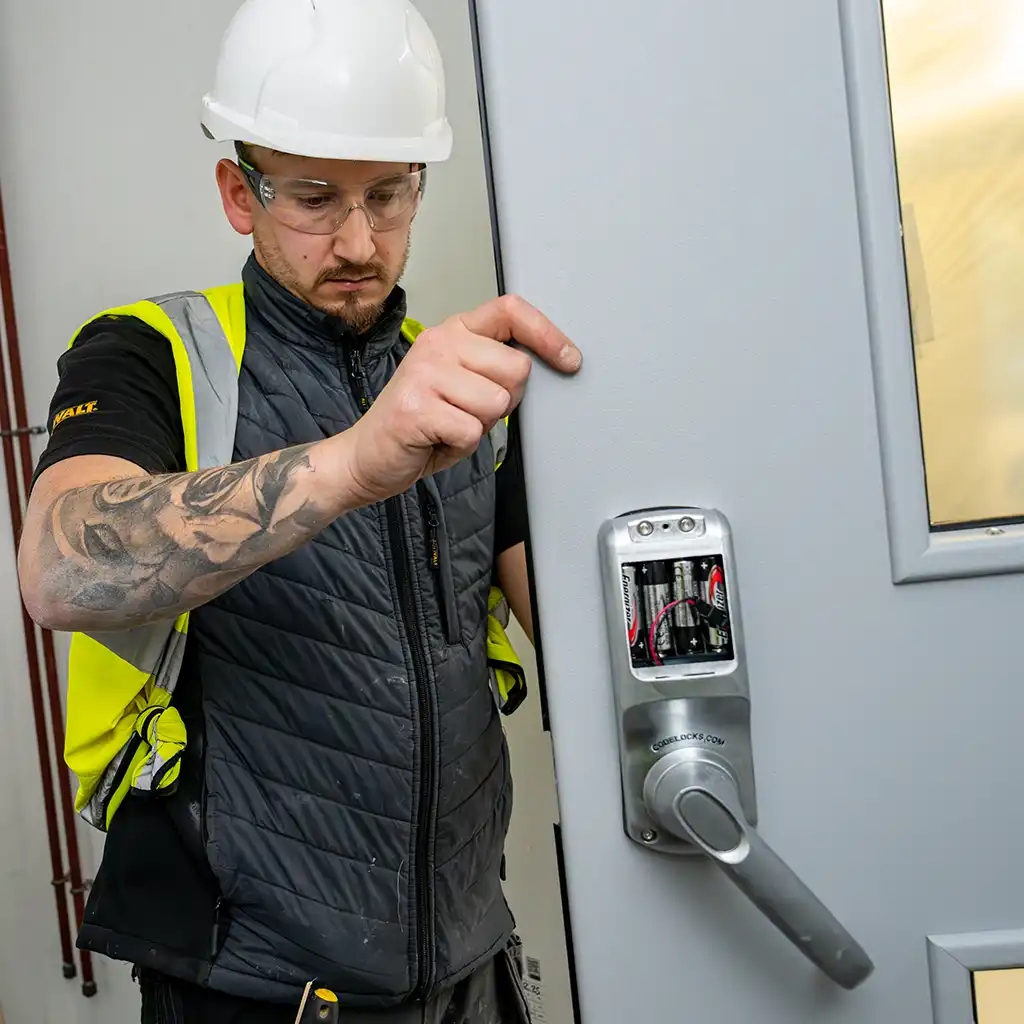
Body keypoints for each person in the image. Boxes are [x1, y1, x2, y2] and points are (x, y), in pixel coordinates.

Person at [16, 0, 582, 1021]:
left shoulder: (457, 388)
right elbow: (57, 569)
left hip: (467, 968)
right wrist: (356, 461)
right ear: (241, 192)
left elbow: (589, 649)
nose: (360, 240)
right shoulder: (152, 353)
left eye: (391, 196)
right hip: (250, 986)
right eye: (315, 199)